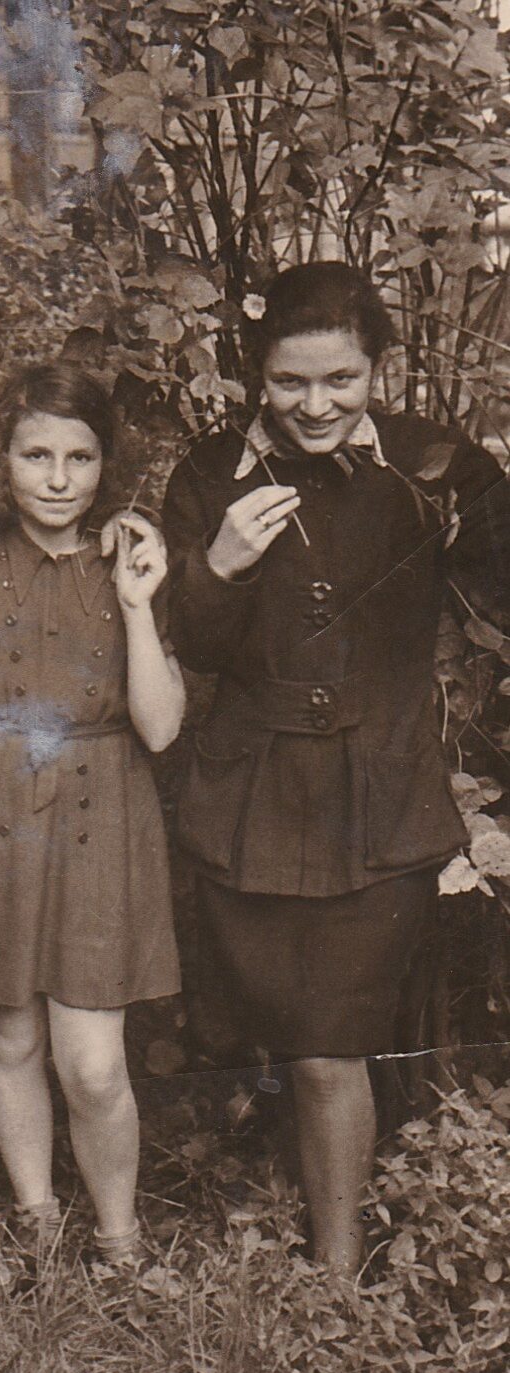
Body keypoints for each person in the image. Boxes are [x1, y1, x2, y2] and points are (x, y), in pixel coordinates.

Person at [162, 261, 508, 1276]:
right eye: (289, 384)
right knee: (268, 1032)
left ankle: (338, 1272)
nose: (316, 406)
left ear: (378, 370)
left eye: (342, 381)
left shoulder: (438, 464)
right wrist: (216, 562)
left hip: (381, 793)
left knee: (331, 1043)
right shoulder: (209, 472)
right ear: (254, 376)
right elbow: (184, 643)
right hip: (252, 794)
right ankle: (304, 1211)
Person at [0, 361, 184, 1265]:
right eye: (36, 455)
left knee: (94, 1062)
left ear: (107, 464)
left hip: (105, 816)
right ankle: (37, 1224)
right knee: (11, 1032)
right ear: (3, 459)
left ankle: (121, 1242)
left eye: (81, 457)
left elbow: (162, 726)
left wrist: (138, 606)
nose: (58, 479)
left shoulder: (130, 560)